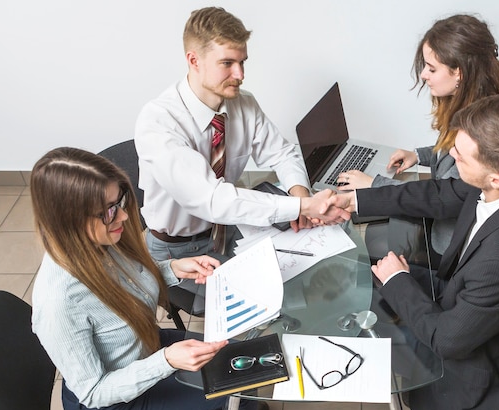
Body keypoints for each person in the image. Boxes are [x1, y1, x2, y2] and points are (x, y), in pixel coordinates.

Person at [324, 95, 499, 410]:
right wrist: (356, 200)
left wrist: (398, 281)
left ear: (495, 179)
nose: (449, 155)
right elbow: (441, 194)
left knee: (344, 321)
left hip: (471, 377)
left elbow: (447, 340)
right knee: (355, 278)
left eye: (460, 157)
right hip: (468, 299)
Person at [30, 147, 259, 410]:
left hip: (145, 349)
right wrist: (166, 361)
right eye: (108, 212)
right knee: (242, 382)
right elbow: (93, 392)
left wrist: (172, 269)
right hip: (114, 402)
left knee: (246, 364)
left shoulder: (97, 241)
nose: (125, 216)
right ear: (69, 221)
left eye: (119, 202)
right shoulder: (59, 302)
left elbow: (123, 282)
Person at [135, 6, 348, 265]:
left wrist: (300, 195)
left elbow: (282, 153)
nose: (240, 75)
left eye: (242, 62)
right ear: (194, 61)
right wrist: (303, 208)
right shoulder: (158, 120)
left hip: (229, 230)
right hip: (176, 251)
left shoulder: (243, 104)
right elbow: (211, 199)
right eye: (227, 63)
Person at [337, 14, 499, 267]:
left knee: (366, 249)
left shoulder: (484, 130)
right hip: (440, 214)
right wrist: (419, 155)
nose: (423, 75)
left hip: (448, 243)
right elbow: (454, 152)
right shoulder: (474, 105)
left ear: (459, 72)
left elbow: (443, 197)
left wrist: (374, 185)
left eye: (431, 68)